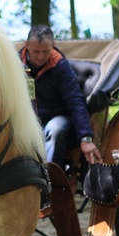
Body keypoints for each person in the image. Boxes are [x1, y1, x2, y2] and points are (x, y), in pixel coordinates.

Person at [18, 24, 102, 169]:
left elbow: (76, 101)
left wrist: (86, 138)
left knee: (55, 129)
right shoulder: (16, 63)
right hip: (27, 119)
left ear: (53, 45)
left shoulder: (61, 66)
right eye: (36, 51)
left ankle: (48, 177)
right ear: (26, 46)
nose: (40, 56)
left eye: (45, 51)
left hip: (58, 118)